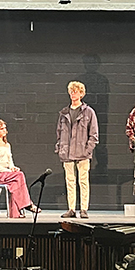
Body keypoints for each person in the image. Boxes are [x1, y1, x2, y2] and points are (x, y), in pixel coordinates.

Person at [56, 81, 99, 219]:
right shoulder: (64, 113)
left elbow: (94, 134)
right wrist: (60, 147)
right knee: (70, 181)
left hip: (82, 153)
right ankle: (71, 209)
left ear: (81, 93)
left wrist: (87, 150)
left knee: (83, 181)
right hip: (67, 153)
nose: (73, 94)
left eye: (76, 91)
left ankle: (84, 209)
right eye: (72, 91)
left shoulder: (89, 112)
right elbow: (59, 132)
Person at [0, 119, 40, 218]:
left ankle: (15, 213)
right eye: (2, 129)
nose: (4, 131)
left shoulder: (7, 144)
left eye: (5, 128)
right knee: (19, 176)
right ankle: (27, 204)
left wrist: (13, 168)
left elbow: (9, 159)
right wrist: (7, 171)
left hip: (7, 174)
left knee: (15, 182)